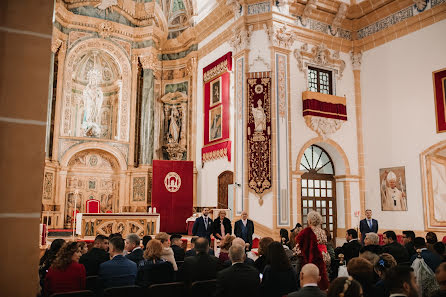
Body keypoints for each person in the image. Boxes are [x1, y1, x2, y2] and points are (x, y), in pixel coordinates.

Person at [295, 210, 330, 290]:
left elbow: (299, 248)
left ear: (310, 220)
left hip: (311, 257)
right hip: (324, 256)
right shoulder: (322, 231)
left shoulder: (307, 231)